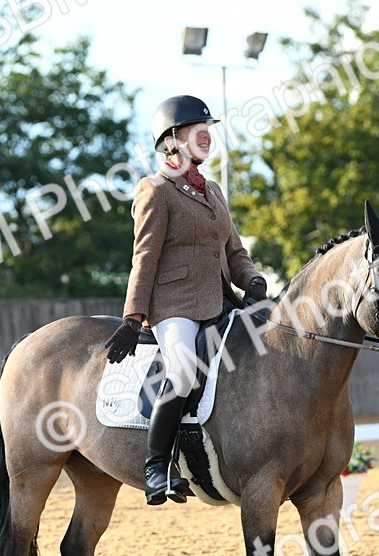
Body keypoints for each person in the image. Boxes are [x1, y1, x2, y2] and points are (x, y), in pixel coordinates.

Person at [104, 95, 267, 505]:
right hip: (175, 306)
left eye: (209, 130)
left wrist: (253, 281)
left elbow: (234, 252)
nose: (208, 137)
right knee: (181, 371)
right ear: (173, 140)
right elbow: (144, 257)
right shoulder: (156, 190)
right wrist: (133, 317)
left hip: (222, 301)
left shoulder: (212, 190)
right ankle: (157, 467)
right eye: (200, 131)